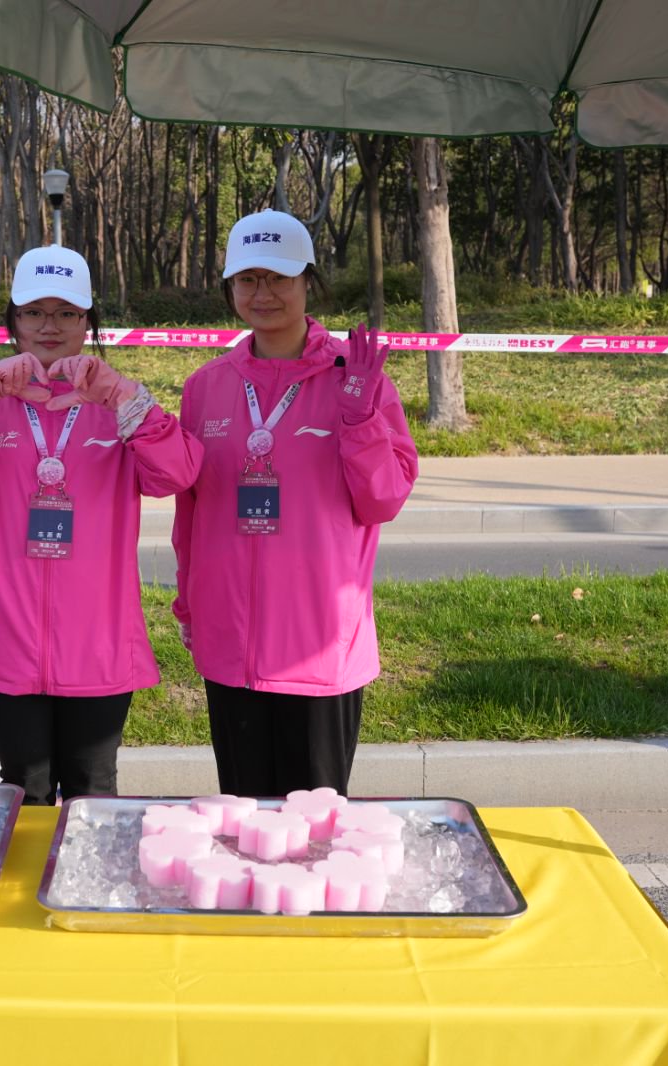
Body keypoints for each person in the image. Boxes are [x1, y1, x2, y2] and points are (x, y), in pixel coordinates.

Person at [0, 246, 202, 805]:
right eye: (34, 312)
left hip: (99, 643)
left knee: (91, 793)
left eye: (66, 313)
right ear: (13, 319)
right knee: (22, 792)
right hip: (5, 639)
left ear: (87, 321)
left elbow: (175, 474)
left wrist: (126, 399)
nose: (49, 326)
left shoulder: (117, 404)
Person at [172, 209, 419, 797]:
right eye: (248, 279)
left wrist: (360, 419)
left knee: (314, 829)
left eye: (279, 277)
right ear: (230, 287)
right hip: (230, 643)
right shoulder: (207, 386)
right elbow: (191, 513)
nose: (263, 294)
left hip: (319, 646)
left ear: (308, 280)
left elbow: (383, 500)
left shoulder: (357, 378)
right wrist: (189, 606)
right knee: (244, 820)